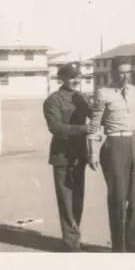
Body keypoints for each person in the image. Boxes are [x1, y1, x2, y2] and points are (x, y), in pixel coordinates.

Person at [86, 56, 135, 253]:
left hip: (134, 143)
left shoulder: (134, 91)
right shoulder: (103, 93)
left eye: (128, 72)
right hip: (114, 145)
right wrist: (93, 153)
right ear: (112, 73)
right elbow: (94, 126)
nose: (125, 76)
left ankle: (134, 244)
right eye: (121, 72)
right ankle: (119, 248)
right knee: (118, 199)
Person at [42, 61, 91, 252]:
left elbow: (95, 115)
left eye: (78, 77)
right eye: (71, 77)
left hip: (79, 154)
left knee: (78, 198)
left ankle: (73, 239)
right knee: (66, 199)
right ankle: (71, 243)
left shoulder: (82, 98)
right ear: (62, 78)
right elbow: (56, 128)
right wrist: (84, 129)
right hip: (62, 155)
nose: (75, 80)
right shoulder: (53, 100)